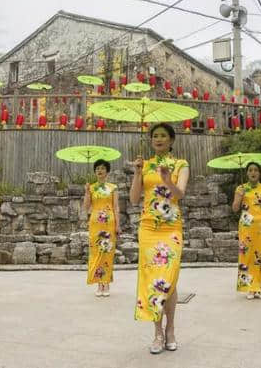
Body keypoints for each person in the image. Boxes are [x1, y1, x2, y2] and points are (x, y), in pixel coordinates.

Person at [130, 123, 189, 354]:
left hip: (171, 228)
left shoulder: (180, 164)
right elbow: (135, 199)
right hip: (148, 228)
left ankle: (171, 329)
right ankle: (157, 333)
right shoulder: (144, 165)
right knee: (152, 279)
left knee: (170, 279)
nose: (159, 139)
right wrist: (137, 173)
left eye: (164, 136)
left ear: (172, 140)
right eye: (155, 136)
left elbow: (180, 194)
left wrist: (168, 180)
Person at [231, 162, 261, 300]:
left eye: (256, 170)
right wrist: (239, 196)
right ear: (246, 173)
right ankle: (250, 288)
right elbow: (234, 209)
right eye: (250, 170)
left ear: (259, 173)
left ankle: (260, 288)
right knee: (247, 256)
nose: (253, 172)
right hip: (246, 226)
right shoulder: (240, 189)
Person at [83, 159, 120, 297]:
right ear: (95, 171)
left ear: (107, 171)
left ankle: (106, 283)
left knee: (107, 252)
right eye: (97, 168)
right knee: (96, 253)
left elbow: (116, 207)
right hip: (95, 224)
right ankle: (99, 283)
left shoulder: (113, 188)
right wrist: (87, 192)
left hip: (109, 223)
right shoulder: (91, 188)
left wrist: (118, 224)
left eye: (103, 168)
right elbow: (86, 208)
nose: (100, 170)